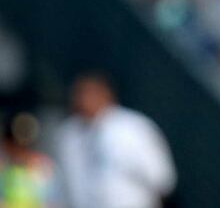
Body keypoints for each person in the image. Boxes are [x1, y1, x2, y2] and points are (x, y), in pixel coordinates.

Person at [54, 73, 176, 208]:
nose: (82, 100)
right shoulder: (67, 134)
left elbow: (162, 179)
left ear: (106, 95)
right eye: (78, 94)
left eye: (89, 94)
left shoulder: (131, 127)